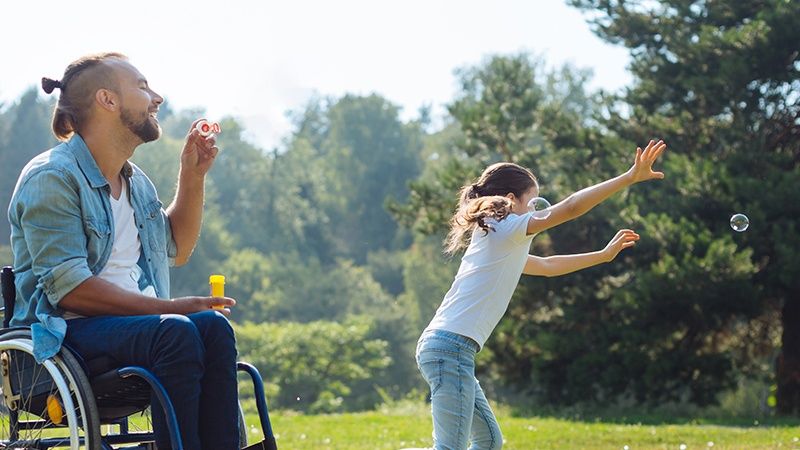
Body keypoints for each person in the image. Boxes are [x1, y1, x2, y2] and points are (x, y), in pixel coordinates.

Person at [7, 52, 239, 450]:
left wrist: (192, 176)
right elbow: (71, 291)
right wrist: (174, 308)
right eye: (143, 86)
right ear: (107, 100)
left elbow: (177, 249)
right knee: (178, 331)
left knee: (214, 328)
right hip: (63, 337)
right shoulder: (52, 178)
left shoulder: (137, 183)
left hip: (138, 334)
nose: (157, 97)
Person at [416, 140, 667, 450]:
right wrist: (628, 177)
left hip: (451, 348)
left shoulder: (499, 239)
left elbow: (547, 265)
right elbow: (572, 206)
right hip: (450, 348)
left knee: (488, 441)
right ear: (511, 199)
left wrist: (601, 256)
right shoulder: (505, 228)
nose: (537, 209)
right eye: (533, 201)